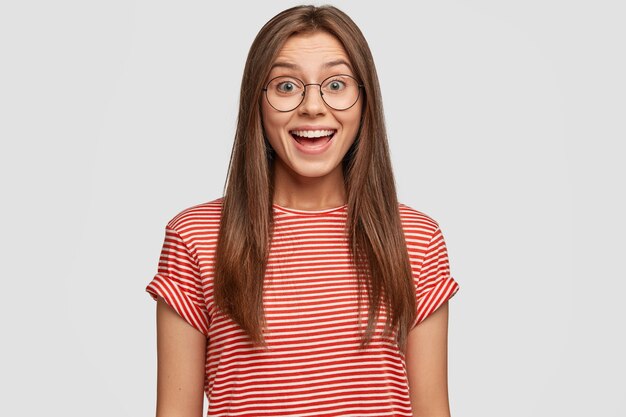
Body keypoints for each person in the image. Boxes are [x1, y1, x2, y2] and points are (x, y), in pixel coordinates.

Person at [146, 4, 460, 416]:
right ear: (256, 102)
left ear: (364, 101)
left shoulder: (416, 238)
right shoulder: (195, 236)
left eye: (336, 84)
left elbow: (432, 410)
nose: (312, 106)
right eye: (287, 86)